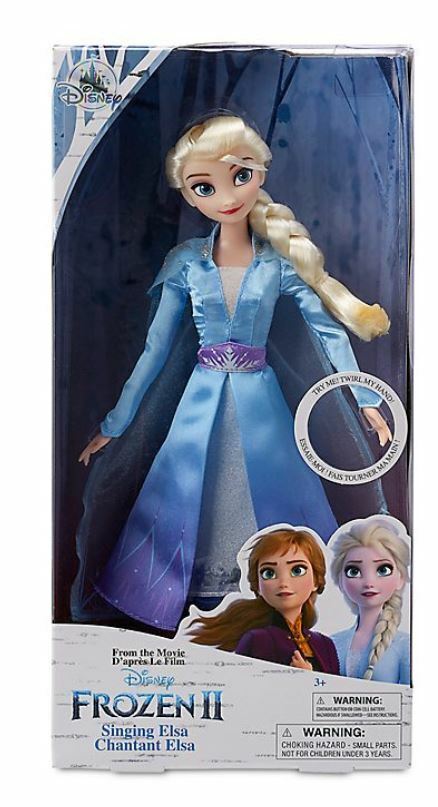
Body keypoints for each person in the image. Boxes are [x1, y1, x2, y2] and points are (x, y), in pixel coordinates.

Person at [77, 113, 391, 631]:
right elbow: (154, 351)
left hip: (262, 403)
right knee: (186, 489)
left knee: (273, 490)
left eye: (239, 176)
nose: (225, 196)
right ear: (188, 194)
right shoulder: (186, 263)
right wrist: (116, 423)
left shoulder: (276, 264)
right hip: (198, 402)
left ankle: (282, 596)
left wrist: (367, 400)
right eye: (205, 186)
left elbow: (328, 333)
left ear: (260, 174)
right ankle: (192, 598)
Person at [187, 525, 339, 673]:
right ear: (258, 586)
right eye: (269, 573)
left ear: (316, 581)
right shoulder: (258, 640)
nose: (283, 583)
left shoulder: (325, 644)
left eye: (297, 570)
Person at [330, 516, 410, 684]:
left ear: (401, 578)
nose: (368, 582)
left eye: (383, 569)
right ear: (340, 581)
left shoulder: (405, 646)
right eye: (353, 571)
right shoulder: (332, 643)